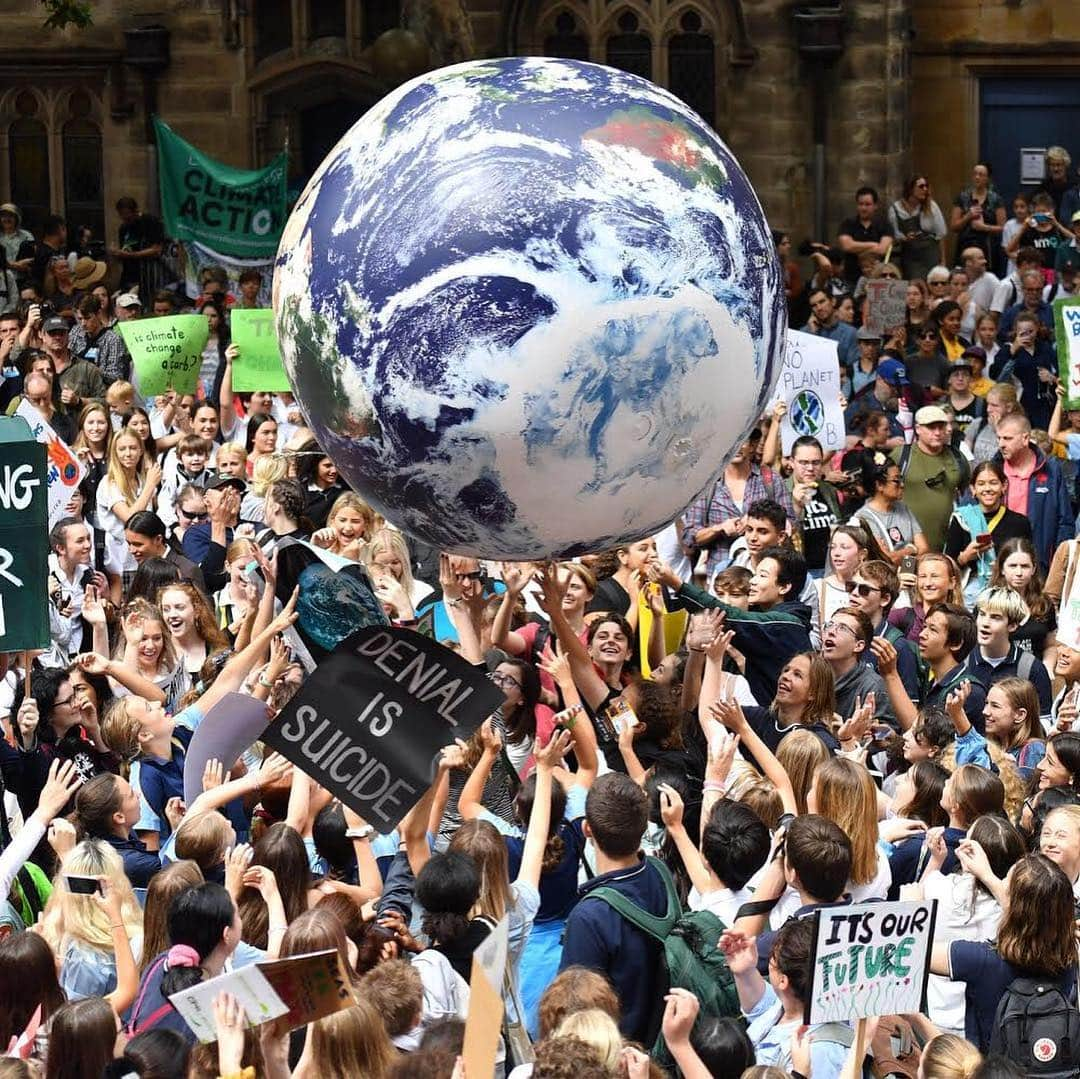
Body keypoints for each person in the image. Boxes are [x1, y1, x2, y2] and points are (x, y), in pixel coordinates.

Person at [558, 772, 669, 1043]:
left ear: (587, 830)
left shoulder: (589, 917)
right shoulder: (661, 873)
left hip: (618, 1050)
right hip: (662, 1037)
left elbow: (576, 1010)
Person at [681, 429, 794, 581]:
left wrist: (758, 521)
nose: (736, 447)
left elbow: (789, 523)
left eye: (742, 441)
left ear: (752, 446)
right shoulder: (707, 484)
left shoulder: (769, 479)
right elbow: (690, 537)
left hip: (765, 575)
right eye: (730, 442)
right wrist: (719, 529)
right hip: (721, 580)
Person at [994, 411, 1071, 573]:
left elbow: (1064, 521)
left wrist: (1058, 565)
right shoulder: (993, 469)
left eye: (1007, 438)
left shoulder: (1051, 470)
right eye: (998, 438)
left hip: (1041, 563)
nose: (1001, 444)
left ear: (1025, 439)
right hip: (998, 564)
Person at [944, 462, 1032, 604]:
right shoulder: (961, 519)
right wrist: (965, 557)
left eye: (993, 483)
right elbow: (946, 567)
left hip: (1009, 592)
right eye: (981, 484)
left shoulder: (1020, 523)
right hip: (969, 594)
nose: (987, 489)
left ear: (1004, 486)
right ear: (973, 489)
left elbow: (1027, 562)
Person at [963, 587, 1052, 727]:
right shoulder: (962, 663)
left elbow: (1044, 721)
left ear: (1012, 625)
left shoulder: (1031, 668)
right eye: (982, 614)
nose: (985, 623)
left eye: (995, 617)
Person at [891, 406, 969, 552]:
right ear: (918, 429)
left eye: (941, 427)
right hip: (907, 545)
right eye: (931, 427)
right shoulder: (902, 456)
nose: (937, 432)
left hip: (946, 543)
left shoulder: (957, 458)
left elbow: (966, 493)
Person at [852, 451, 929, 565]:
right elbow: (885, 559)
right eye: (896, 481)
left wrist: (901, 556)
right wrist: (911, 549)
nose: (902, 485)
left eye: (901, 480)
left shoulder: (903, 508)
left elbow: (924, 549)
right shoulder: (864, 517)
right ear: (879, 485)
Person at [889, 175, 948, 281]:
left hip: (930, 254)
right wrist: (905, 238)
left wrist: (943, 261)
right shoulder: (895, 209)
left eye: (926, 186)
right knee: (915, 283)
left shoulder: (931, 206)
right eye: (921, 186)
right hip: (911, 257)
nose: (925, 189)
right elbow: (892, 237)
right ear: (910, 189)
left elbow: (940, 235)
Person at [951, 162, 1006, 263]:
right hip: (965, 245)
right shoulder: (962, 197)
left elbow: (1003, 227)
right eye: (975, 174)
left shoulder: (995, 199)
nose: (977, 177)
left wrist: (983, 227)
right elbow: (954, 226)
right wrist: (967, 217)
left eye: (981, 174)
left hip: (988, 248)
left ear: (987, 178)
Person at [837, 186, 891, 287]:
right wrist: (873, 245)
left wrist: (857, 247)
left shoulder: (884, 224)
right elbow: (847, 246)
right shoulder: (848, 224)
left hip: (879, 279)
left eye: (867, 204)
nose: (863, 208)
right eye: (860, 204)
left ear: (875, 206)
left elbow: (883, 249)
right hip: (851, 279)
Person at [801, 288, 858, 371]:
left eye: (822, 302)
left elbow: (853, 367)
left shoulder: (850, 333)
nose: (819, 308)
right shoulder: (804, 333)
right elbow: (804, 365)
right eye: (814, 305)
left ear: (833, 301)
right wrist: (813, 334)